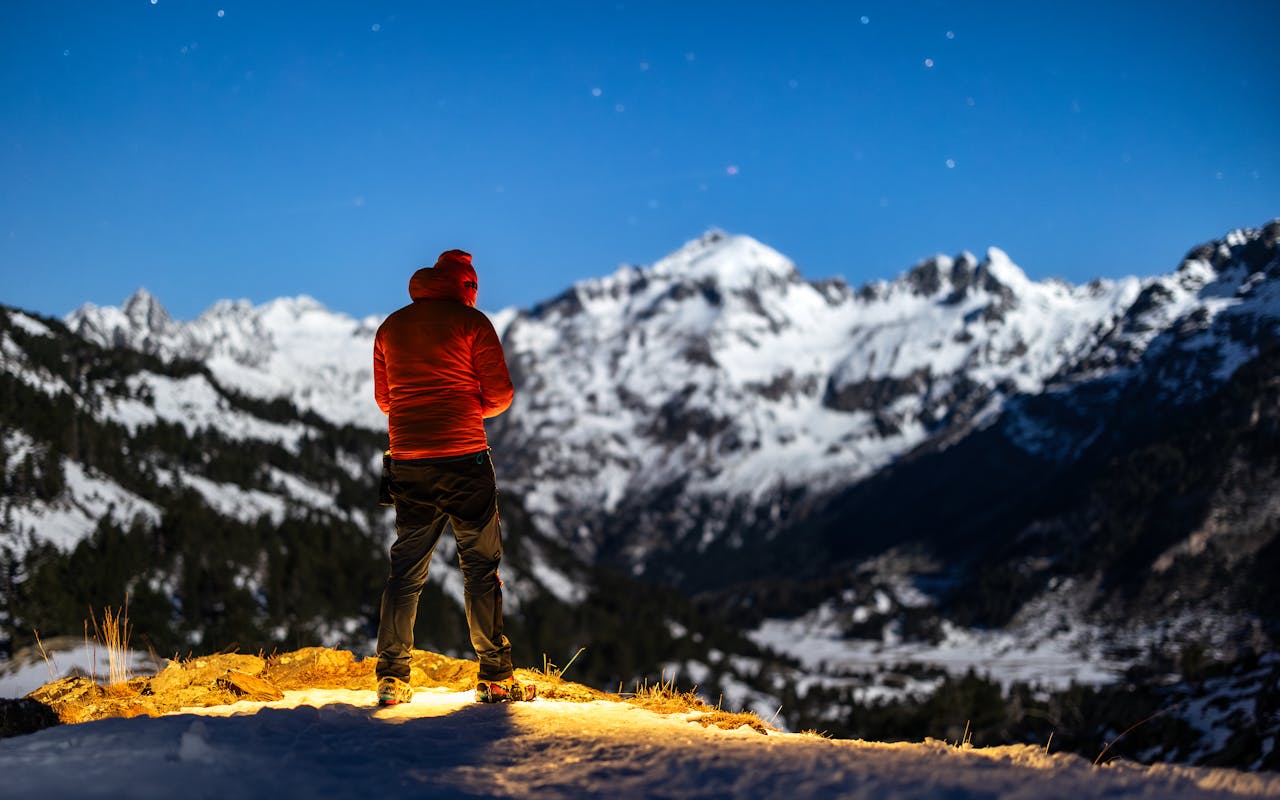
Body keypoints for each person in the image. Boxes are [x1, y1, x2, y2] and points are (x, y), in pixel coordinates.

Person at [372, 249, 531, 705]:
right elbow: (500, 394)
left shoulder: (391, 327)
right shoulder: (472, 324)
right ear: (467, 287)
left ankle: (392, 677)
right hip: (465, 459)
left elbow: (386, 401)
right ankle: (496, 676)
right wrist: (464, 408)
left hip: (408, 462)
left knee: (406, 570)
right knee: (480, 568)